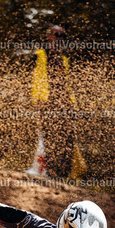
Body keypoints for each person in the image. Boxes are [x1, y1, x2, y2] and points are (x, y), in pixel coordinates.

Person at [31, 24, 87, 179]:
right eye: (57, 35)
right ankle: (44, 171)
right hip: (45, 102)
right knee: (47, 137)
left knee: (66, 138)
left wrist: (71, 103)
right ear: (48, 36)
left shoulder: (64, 60)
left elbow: (66, 83)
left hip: (64, 104)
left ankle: (62, 174)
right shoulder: (38, 55)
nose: (60, 39)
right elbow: (33, 79)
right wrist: (36, 99)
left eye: (63, 36)